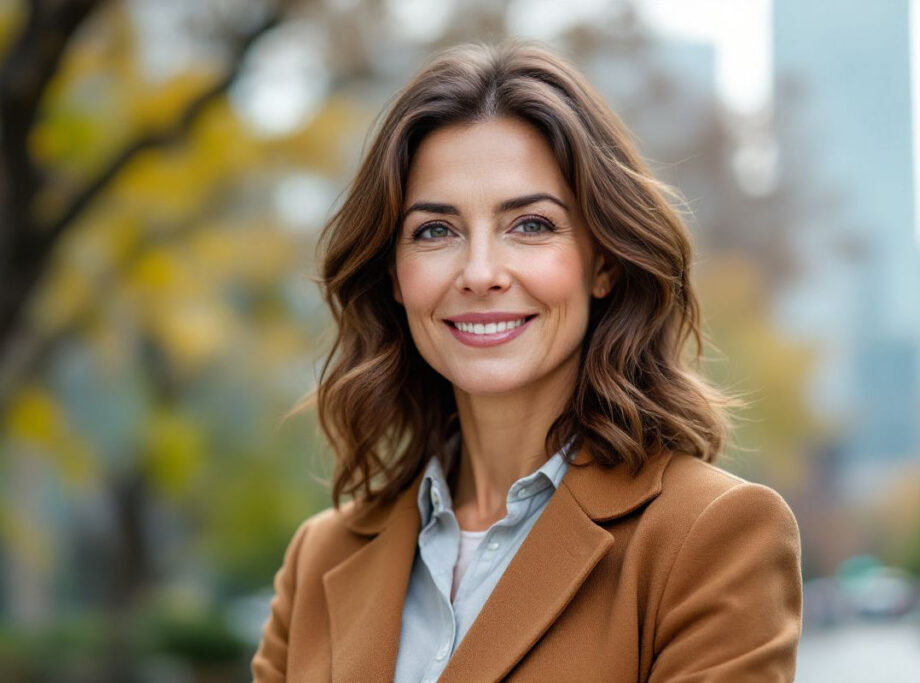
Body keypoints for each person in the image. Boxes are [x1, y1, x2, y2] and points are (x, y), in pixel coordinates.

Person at [251, 39, 802, 682]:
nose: (481, 273)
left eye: (531, 225)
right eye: (435, 230)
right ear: (395, 277)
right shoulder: (318, 560)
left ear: (603, 262)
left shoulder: (712, 536)